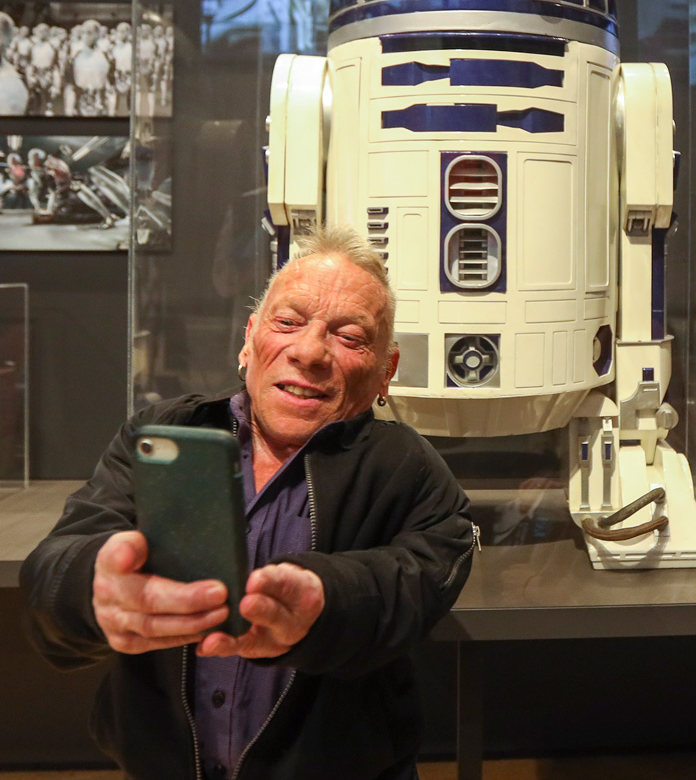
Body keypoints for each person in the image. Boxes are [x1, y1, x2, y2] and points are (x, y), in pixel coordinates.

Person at [20, 226, 475, 780]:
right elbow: (53, 570)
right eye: (287, 323)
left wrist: (325, 599)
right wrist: (92, 588)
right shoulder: (162, 434)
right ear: (249, 340)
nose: (309, 352)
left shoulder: (409, 470)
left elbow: (417, 581)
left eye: (350, 336)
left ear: (387, 371)